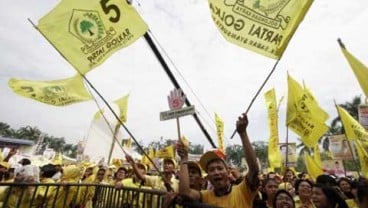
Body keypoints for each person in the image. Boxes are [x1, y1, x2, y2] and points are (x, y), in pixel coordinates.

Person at [178, 113, 260, 207]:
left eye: (220, 168)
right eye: (212, 170)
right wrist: (184, 159)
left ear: (228, 172)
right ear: (208, 177)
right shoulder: (205, 196)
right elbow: (185, 193)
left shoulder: (242, 191)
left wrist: (243, 133)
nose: (216, 172)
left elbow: (254, 169)